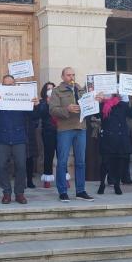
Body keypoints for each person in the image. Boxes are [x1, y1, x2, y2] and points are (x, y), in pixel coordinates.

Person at [0, 75, 38, 204]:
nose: (9, 87)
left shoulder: (22, 97)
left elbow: (34, 115)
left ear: (15, 86)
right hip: (2, 138)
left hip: (19, 137)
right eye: (6, 85)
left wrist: (36, 105)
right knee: (2, 166)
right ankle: (6, 193)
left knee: (21, 166)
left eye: (11, 85)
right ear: (2, 86)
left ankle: (19, 193)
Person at [49, 67, 94, 202]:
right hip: (65, 129)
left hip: (81, 128)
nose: (71, 77)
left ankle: (80, 190)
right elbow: (52, 110)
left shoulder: (81, 90)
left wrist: (94, 99)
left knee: (80, 161)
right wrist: (66, 109)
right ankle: (62, 191)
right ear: (62, 77)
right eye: (68, 75)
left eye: (73, 74)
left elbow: (90, 107)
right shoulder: (57, 91)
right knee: (62, 161)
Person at [95, 91, 132, 195]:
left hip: (121, 138)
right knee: (105, 163)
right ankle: (102, 183)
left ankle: (117, 185)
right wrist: (97, 102)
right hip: (108, 137)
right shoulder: (103, 104)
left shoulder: (123, 104)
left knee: (120, 163)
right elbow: (97, 114)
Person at [37, 82, 57, 188]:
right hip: (48, 131)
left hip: (60, 131)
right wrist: (47, 104)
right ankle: (47, 177)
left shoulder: (59, 101)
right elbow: (40, 114)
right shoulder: (42, 103)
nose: (50, 90)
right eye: (48, 89)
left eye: (52, 89)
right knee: (48, 155)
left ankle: (64, 177)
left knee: (62, 155)